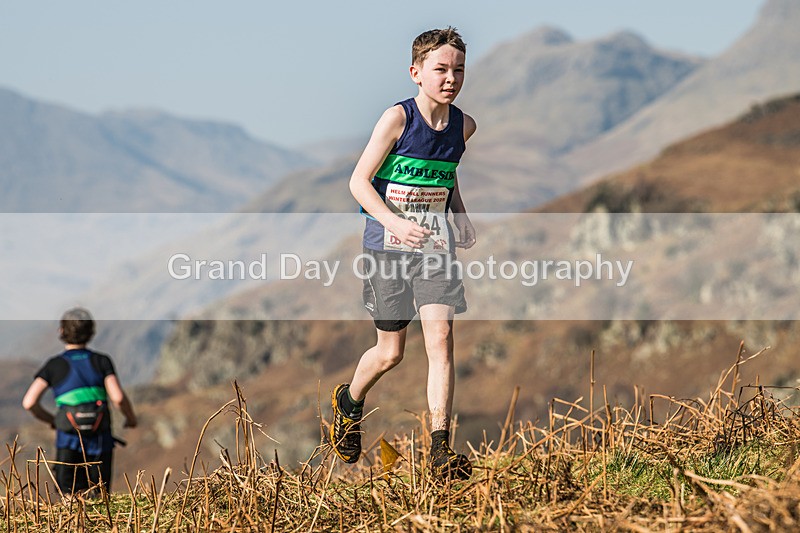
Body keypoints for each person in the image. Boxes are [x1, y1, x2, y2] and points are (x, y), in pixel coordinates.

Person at [331, 27, 477, 481]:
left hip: (435, 246)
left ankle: (440, 448)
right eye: (440, 69)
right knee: (391, 352)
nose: (450, 78)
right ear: (416, 73)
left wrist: (459, 213)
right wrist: (393, 222)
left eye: (458, 70)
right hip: (387, 248)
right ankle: (348, 402)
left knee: (441, 339)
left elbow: (444, 174)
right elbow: (358, 181)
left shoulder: (463, 126)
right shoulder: (398, 119)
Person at [22, 308, 137, 494]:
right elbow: (118, 397)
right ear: (91, 332)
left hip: (67, 440)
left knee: (69, 498)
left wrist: (53, 421)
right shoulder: (102, 361)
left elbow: (29, 402)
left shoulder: (54, 365)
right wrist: (131, 419)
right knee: (99, 498)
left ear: (61, 331)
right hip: (100, 439)